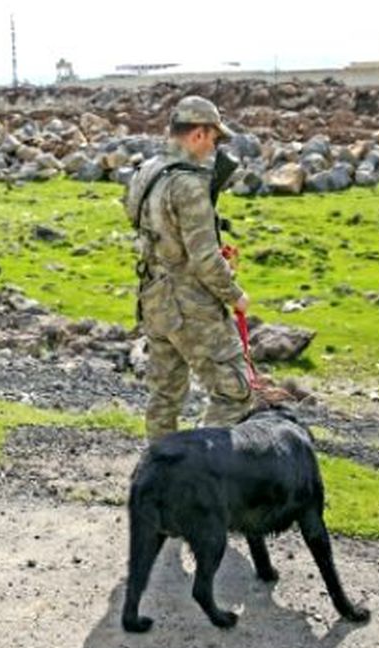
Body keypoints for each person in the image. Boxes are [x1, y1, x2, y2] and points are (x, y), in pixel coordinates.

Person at [124, 95, 252, 440]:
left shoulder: (144, 173)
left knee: (164, 396)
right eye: (213, 137)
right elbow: (205, 259)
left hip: (153, 298)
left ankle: (159, 474)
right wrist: (235, 295)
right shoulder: (189, 184)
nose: (214, 146)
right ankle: (206, 472)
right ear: (198, 133)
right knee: (234, 393)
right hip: (190, 302)